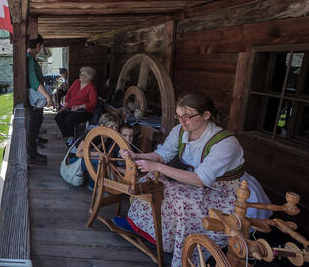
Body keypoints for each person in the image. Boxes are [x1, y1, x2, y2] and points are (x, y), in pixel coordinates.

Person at [114, 93, 246, 267]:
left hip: (222, 193)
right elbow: (162, 155)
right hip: (195, 182)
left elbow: (200, 179)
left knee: (178, 198)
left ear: (206, 115)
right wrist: (136, 155)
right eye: (179, 116)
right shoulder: (181, 131)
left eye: (187, 116)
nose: (182, 121)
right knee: (151, 183)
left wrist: (158, 167)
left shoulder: (225, 143)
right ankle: (141, 227)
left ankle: (184, 250)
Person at [26, 35, 53, 166]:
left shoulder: (31, 58)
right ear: (38, 45)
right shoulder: (30, 59)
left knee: (36, 124)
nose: (40, 48)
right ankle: (32, 155)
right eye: (40, 46)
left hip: (33, 100)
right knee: (32, 127)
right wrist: (48, 96)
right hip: (34, 101)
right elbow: (34, 82)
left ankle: (33, 153)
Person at [55, 66, 98, 142]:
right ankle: (68, 136)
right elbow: (69, 93)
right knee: (59, 117)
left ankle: (73, 138)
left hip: (85, 112)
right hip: (71, 108)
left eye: (82, 75)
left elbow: (93, 103)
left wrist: (80, 106)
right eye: (80, 74)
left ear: (88, 77)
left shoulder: (91, 88)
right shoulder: (77, 82)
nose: (80, 76)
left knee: (70, 118)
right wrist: (66, 104)